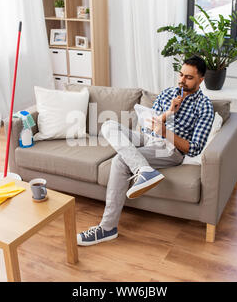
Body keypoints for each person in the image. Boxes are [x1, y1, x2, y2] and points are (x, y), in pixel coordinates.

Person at [77, 55, 215, 246]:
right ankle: (144, 170)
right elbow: (147, 127)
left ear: (201, 79)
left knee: (120, 160)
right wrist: (168, 114)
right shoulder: (168, 94)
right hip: (149, 139)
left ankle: (107, 228)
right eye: (181, 74)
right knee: (108, 126)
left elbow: (194, 148)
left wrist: (165, 132)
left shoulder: (205, 107)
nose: (182, 80)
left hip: (170, 149)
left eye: (189, 77)